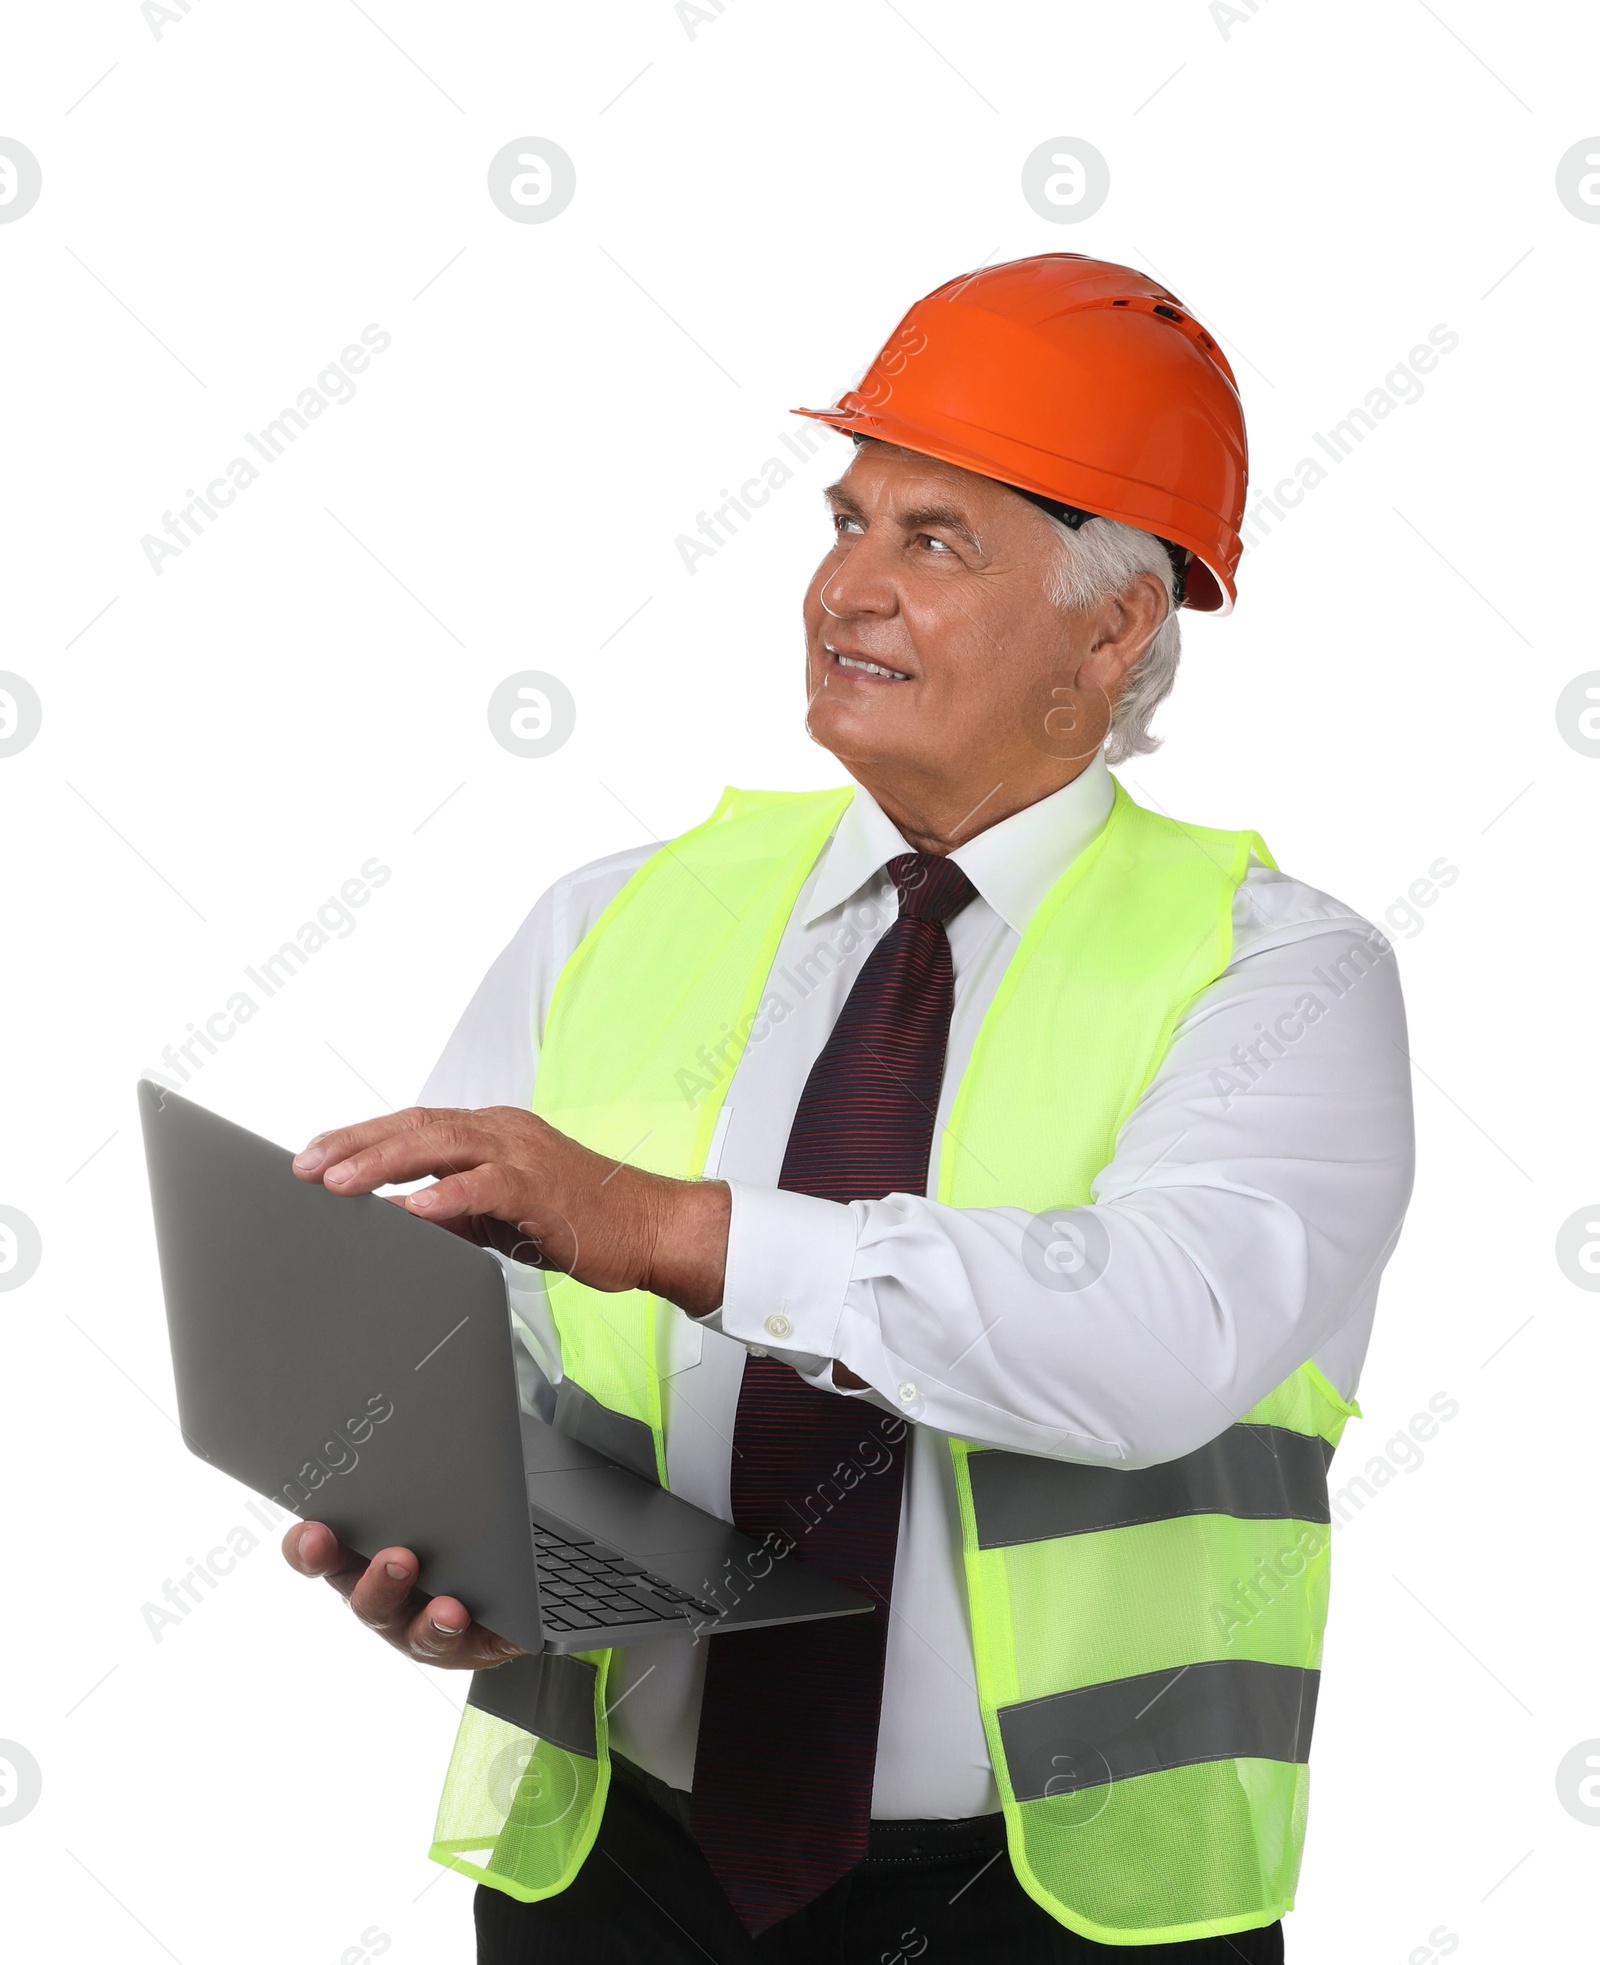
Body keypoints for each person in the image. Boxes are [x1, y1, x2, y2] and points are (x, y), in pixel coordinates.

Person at [283, 254, 1414, 1961]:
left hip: (1054, 1907)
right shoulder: (612, 915)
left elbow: (1161, 1338)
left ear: (1113, 626)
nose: (845, 590)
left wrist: (683, 1233)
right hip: (620, 1879)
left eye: (932, 539)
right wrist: (455, 1550)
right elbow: (476, 1334)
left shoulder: (1282, 975)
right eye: (846, 520)